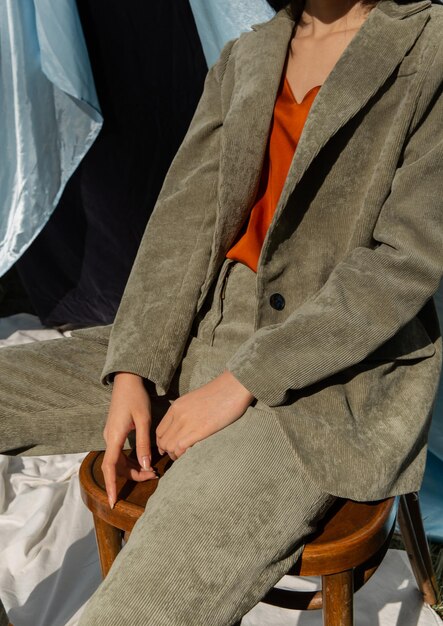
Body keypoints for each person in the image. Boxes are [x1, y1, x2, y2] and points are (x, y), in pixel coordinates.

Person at [1, 0, 443, 624]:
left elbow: (402, 266)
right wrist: (131, 370)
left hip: (326, 383)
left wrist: (239, 384)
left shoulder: (430, 49)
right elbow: (183, 225)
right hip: (200, 334)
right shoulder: (249, 54)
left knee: (142, 606)